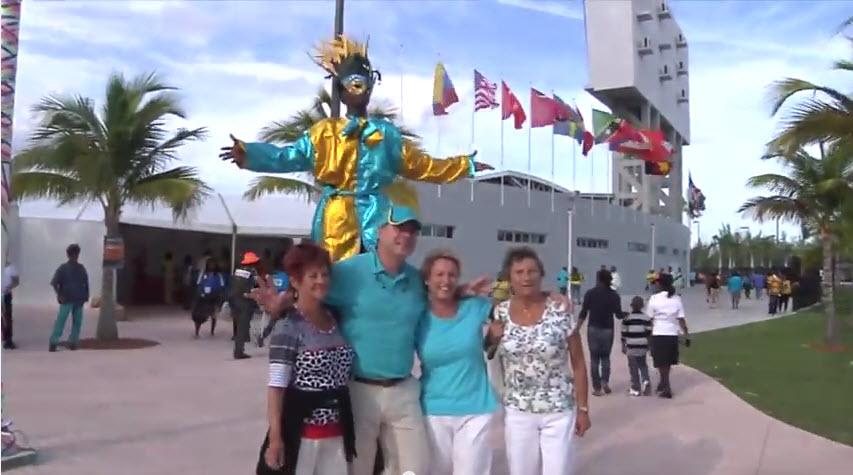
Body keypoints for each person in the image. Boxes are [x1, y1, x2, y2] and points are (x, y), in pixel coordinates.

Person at [220, 35, 492, 263]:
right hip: (336, 218)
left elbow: (423, 166)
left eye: (366, 84)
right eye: (355, 84)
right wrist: (250, 154)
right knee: (335, 278)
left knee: (378, 272)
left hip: (377, 214)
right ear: (342, 90)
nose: (362, 91)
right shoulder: (324, 133)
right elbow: (286, 157)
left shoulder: (386, 134)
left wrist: (463, 165)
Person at [488, 246, 590, 475]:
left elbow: (579, 363)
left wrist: (583, 409)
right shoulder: (500, 312)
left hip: (558, 410)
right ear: (510, 278)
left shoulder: (560, 309)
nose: (526, 277)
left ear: (541, 275)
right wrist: (492, 338)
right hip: (518, 411)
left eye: (532, 271)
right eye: (519, 272)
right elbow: (491, 351)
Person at [256, 242, 355, 475]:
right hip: (301, 436)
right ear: (295, 280)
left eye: (324, 274)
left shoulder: (335, 318)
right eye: (313, 275)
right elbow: (277, 388)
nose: (321, 280)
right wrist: (276, 438)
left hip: (337, 434)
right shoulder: (288, 327)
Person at [416, 249, 497, 475]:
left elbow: (516, 309)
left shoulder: (475, 307)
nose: (446, 280)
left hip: (476, 409)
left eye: (452, 275)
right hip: (433, 410)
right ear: (427, 279)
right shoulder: (418, 315)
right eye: (439, 274)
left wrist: (549, 295)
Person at [578, 269, 624, 396]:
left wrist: (577, 328)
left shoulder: (590, 293)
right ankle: (605, 382)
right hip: (607, 329)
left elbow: (583, 312)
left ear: (598, 279)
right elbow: (619, 315)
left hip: (593, 328)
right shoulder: (614, 295)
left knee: (594, 359)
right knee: (605, 358)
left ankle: (597, 388)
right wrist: (628, 314)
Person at [648, 273, 691, 399]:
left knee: (661, 361)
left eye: (656, 282)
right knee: (666, 362)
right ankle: (663, 382)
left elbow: (649, 319)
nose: (655, 284)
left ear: (660, 283)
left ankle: (666, 387)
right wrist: (686, 335)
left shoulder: (654, 299)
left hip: (658, 333)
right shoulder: (676, 299)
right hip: (672, 333)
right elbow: (681, 319)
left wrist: (647, 336)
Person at [49, 244, 90, 352]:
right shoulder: (63, 268)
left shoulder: (81, 268)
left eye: (76, 254)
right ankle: (54, 342)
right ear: (68, 255)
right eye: (73, 254)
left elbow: (86, 283)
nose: (75, 256)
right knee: (61, 321)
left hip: (78, 299)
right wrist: (59, 295)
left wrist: (86, 296)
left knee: (77, 322)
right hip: (67, 299)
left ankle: (73, 342)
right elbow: (54, 283)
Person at [230, 251, 261, 360]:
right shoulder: (252, 273)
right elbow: (255, 287)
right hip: (245, 302)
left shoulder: (237, 271)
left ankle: (238, 349)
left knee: (238, 326)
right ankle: (239, 352)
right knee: (242, 328)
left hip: (234, 301)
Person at [621, 296, 652, 396]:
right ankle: (646, 381)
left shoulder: (627, 318)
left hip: (631, 345)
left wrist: (623, 345)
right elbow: (649, 333)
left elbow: (624, 333)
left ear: (632, 306)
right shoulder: (646, 318)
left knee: (633, 367)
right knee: (643, 365)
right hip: (642, 345)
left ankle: (636, 387)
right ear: (642, 306)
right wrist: (649, 345)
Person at [192, 259, 225, 338]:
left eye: (213, 264)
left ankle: (212, 331)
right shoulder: (202, 274)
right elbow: (199, 285)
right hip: (203, 297)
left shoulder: (219, 275)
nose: (211, 266)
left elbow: (222, 287)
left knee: (214, 315)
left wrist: (219, 297)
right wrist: (201, 293)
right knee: (199, 315)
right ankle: (197, 331)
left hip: (214, 297)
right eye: (210, 264)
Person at [2, 259, 20, 349]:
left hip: (5, 295)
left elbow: (16, 281)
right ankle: (5, 336)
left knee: (7, 317)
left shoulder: (10, 267)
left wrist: (8, 287)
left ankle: (8, 340)